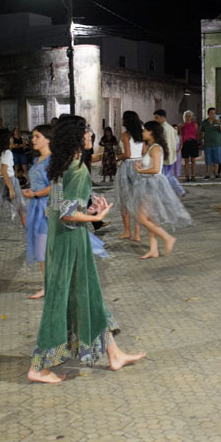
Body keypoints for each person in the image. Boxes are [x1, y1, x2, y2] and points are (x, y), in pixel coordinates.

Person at [28, 114, 145, 383]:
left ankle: (114, 354)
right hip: (70, 241)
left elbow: (57, 207)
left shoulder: (62, 164)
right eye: (86, 131)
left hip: (62, 240)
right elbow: (68, 214)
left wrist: (90, 209)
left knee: (89, 295)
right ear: (77, 136)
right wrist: (96, 217)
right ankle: (38, 367)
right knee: (58, 302)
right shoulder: (78, 169)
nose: (90, 135)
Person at [133, 121, 192, 259]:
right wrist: (142, 165)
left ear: (151, 132)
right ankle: (154, 249)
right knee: (151, 218)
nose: (142, 133)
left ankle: (167, 238)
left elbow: (155, 169)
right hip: (149, 183)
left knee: (142, 217)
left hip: (152, 184)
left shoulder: (155, 148)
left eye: (144, 130)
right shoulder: (151, 147)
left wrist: (140, 170)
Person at [22, 125, 53, 299]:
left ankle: (49, 285)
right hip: (35, 206)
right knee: (41, 248)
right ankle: (48, 283)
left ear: (48, 139)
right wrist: (30, 191)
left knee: (43, 248)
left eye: (37, 136)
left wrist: (35, 193)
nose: (33, 139)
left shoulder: (52, 161)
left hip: (46, 207)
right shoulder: (37, 160)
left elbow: (54, 186)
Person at [0, 128, 26, 250]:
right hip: (8, 181)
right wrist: (11, 189)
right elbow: (4, 171)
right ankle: (32, 239)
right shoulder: (7, 153)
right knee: (22, 211)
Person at [115, 111, 144, 242]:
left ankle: (127, 231)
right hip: (139, 165)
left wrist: (116, 158)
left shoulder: (125, 135)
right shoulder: (141, 134)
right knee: (137, 201)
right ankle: (137, 234)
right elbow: (143, 151)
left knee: (125, 200)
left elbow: (127, 154)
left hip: (127, 166)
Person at [153, 109, 185, 198]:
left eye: (157, 118)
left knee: (164, 176)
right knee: (169, 175)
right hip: (171, 155)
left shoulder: (162, 129)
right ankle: (178, 191)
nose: (155, 120)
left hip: (164, 156)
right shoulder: (171, 128)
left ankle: (169, 193)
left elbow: (162, 143)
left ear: (162, 117)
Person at [200, 107, 221, 179]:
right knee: (208, 160)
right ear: (208, 114)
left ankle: (216, 173)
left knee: (217, 159)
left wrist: (220, 124)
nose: (213, 115)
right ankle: (207, 174)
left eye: (214, 113)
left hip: (217, 143)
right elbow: (201, 132)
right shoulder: (205, 122)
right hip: (208, 144)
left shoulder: (218, 122)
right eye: (211, 113)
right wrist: (201, 141)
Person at [179, 111, 199, 181]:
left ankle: (193, 175)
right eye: (186, 116)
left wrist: (198, 142)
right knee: (186, 160)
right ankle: (186, 176)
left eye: (189, 116)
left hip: (193, 142)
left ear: (191, 117)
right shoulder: (182, 125)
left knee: (193, 160)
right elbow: (179, 134)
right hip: (185, 143)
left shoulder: (195, 124)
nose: (188, 117)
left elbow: (197, 133)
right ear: (184, 117)